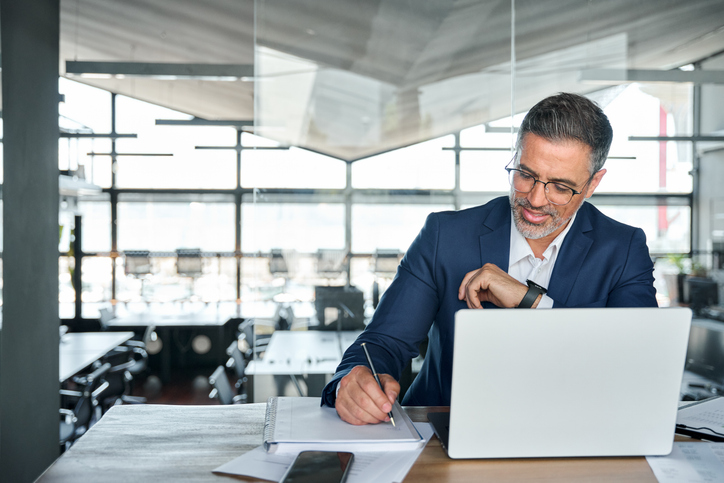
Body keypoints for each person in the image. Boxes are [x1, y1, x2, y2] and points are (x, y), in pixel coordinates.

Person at [321, 92, 658, 425]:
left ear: (593, 182)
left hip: (570, 436)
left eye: (560, 187)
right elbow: (383, 342)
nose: (536, 200)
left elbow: (635, 367)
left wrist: (530, 302)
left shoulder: (623, 249)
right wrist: (350, 383)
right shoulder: (445, 236)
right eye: (525, 174)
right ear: (515, 156)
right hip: (440, 437)